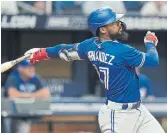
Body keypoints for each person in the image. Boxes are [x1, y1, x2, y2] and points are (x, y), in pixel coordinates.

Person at [24, 6, 165, 133]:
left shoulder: (90, 45)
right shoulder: (122, 50)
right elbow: (153, 60)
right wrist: (150, 43)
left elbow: (64, 50)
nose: (119, 24)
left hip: (139, 112)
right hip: (118, 116)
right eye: (114, 23)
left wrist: (41, 52)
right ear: (103, 29)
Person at [5, 60, 50, 133]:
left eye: (33, 67)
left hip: (31, 112)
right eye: (28, 67)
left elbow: (45, 93)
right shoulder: (14, 77)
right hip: (14, 114)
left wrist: (25, 95)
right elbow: (12, 94)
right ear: (20, 68)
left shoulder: (35, 77)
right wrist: (34, 95)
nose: (32, 69)